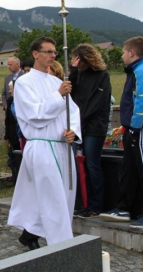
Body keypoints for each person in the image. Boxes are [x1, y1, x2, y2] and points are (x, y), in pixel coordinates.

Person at [7, 37, 81, 249]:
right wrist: (58, 96)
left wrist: (72, 131)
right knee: (53, 198)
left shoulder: (57, 82)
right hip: (42, 146)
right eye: (47, 51)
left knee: (64, 195)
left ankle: (30, 235)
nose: (52, 56)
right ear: (35, 54)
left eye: (54, 52)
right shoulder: (23, 83)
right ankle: (62, 246)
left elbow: (73, 111)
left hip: (62, 146)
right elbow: (35, 115)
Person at [100, 37, 143, 228]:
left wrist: (134, 127)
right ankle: (125, 208)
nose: (123, 55)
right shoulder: (134, 71)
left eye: (124, 52)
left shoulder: (140, 71)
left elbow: (141, 102)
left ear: (132, 53)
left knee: (140, 169)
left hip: (139, 130)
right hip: (132, 129)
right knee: (129, 170)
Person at [69, 44, 111, 218]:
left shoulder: (102, 75)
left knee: (92, 164)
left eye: (76, 58)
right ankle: (83, 202)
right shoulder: (78, 75)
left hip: (94, 127)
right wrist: (73, 69)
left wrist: (80, 119)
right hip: (80, 126)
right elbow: (70, 92)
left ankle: (96, 204)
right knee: (79, 166)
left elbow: (98, 103)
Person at [4, 80, 21, 184]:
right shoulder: (10, 100)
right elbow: (7, 120)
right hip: (12, 134)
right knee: (14, 160)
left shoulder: (23, 100)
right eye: (9, 89)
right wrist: (7, 136)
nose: (10, 91)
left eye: (12, 89)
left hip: (21, 135)